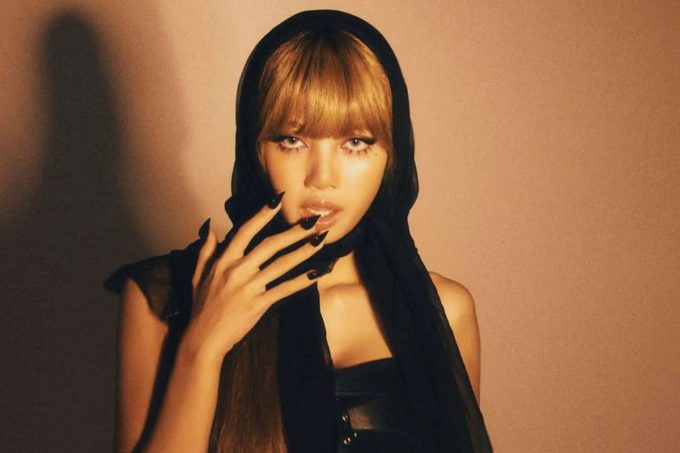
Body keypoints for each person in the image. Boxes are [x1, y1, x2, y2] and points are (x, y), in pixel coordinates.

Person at [103, 9, 493, 453]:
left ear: (392, 155)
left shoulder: (446, 310)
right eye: (292, 140)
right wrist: (202, 346)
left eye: (356, 142)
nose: (322, 178)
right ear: (255, 148)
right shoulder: (163, 296)